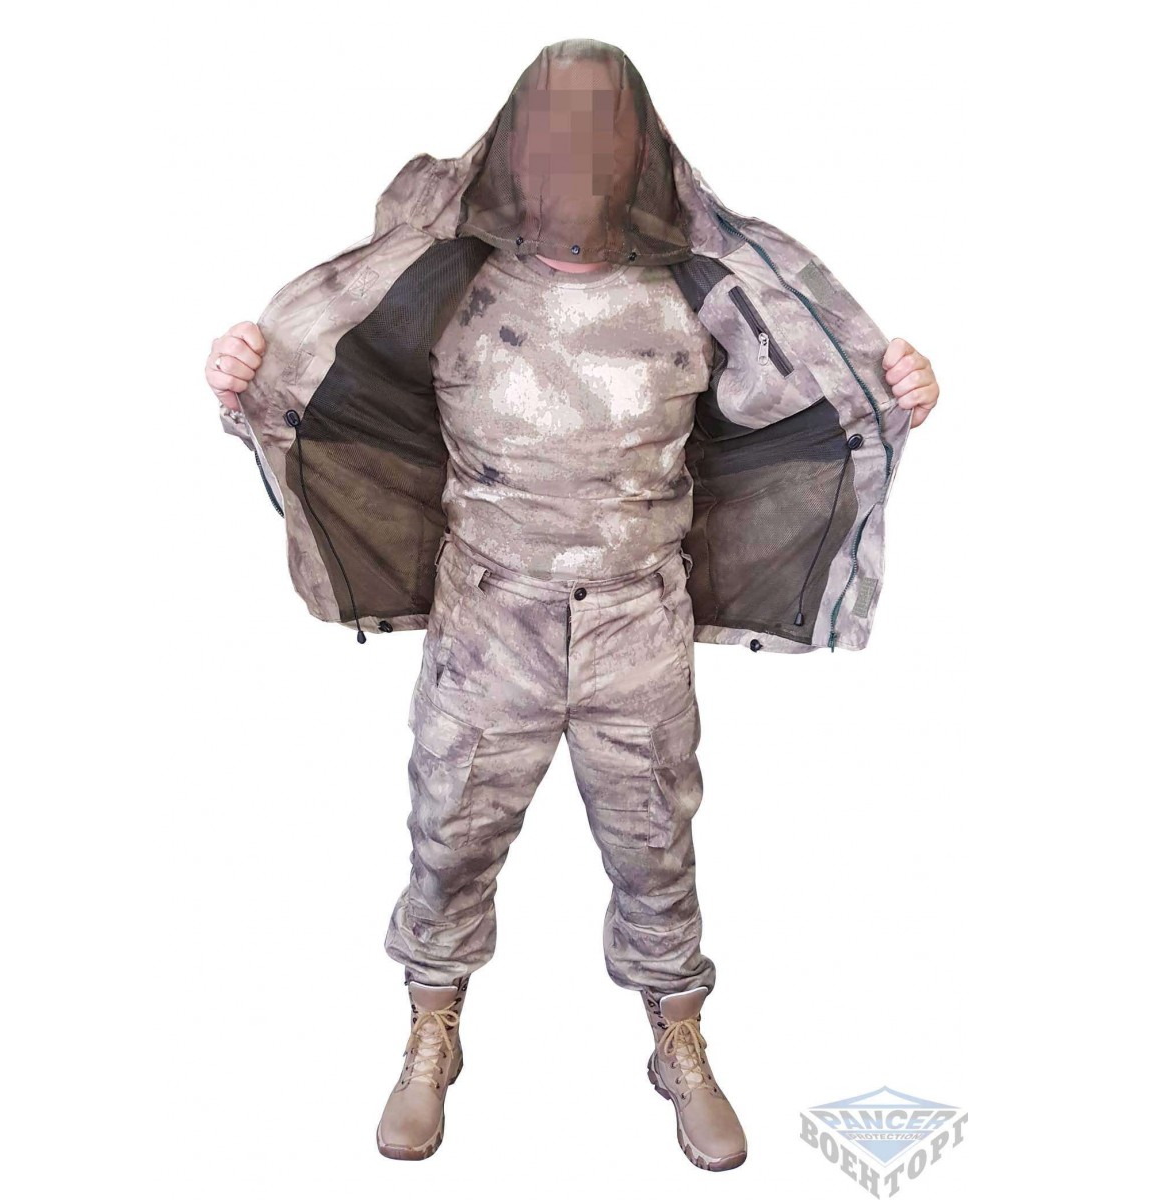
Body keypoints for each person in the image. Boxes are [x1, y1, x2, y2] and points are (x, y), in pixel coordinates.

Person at [204, 39, 939, 1172]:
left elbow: (811, 396)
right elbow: (327, 378)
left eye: (601, 126)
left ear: (640, 146)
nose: (574, 150)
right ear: (512, 142)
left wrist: (897, 390)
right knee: (450, 834)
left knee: (656, 849)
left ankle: (678, 1038)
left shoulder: (701, 288)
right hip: (486, 622)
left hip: (636, 626)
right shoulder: (442, 280)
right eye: (553, 124)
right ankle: (431, 1028)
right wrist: (245, 370)